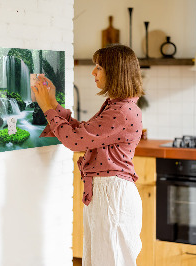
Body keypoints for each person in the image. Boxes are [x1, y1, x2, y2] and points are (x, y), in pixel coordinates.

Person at [32, 44, 144, 266]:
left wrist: (47, 108)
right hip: (107, 193)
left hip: (112, 195)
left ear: (115, 72)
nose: (93, 72)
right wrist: (53, 103)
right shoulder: (117, 106)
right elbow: (83, 133)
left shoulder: (121, 111)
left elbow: (75, 141)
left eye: (99, 67)